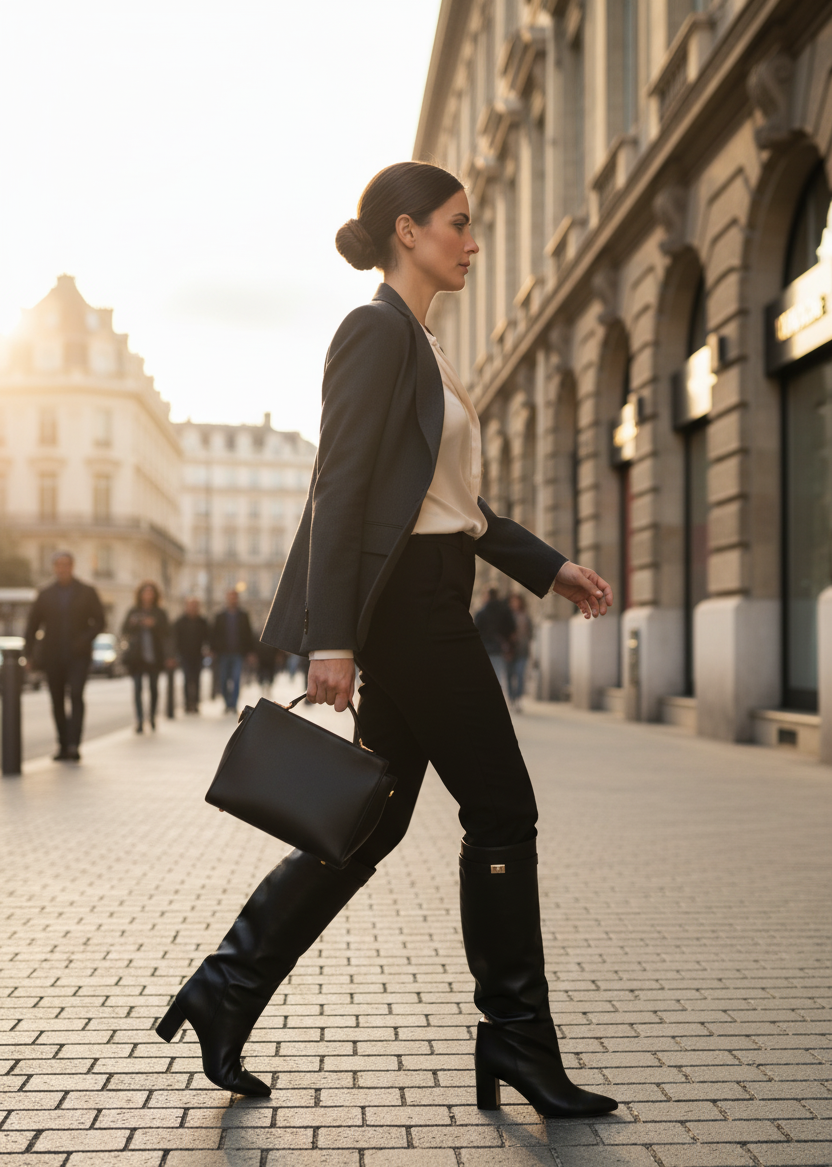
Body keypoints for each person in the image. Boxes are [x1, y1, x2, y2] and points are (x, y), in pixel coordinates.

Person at [156, 162, 617, 1120]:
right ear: (407, 231)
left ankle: (226, 988)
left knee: (370, 821)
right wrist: (333, 639)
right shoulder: (373, 332)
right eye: (459, 224)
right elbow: (342, 488)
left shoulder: (426, 346)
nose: (473, 242)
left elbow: (457, 505)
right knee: (502, 810)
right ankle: (519, 1039)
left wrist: (550, 565)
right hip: (409, 606)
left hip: (435, 591)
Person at [24, 550, 105, 762]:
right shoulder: (45, 593)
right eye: (58, 565)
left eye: (66, 564)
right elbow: (32, 625)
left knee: (76, 696)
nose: (62, 569)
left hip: (79, 655)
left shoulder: (87, 591)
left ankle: (73, 745)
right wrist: (28, 654)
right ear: (54, 568)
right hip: (53, 655)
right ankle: (62, 744)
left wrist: (85, 639)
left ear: (72, 566)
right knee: (57, 700)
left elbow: (100, 622)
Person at [122, 582, 171, 733]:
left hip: (154, 657)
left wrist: (153, 624)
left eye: (151, 593)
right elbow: (124, 630)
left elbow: (167, 632)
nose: (148, 595)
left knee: (154, 688)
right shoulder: (133, 611)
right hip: (136, 657)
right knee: (137, 689)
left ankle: (152, 717)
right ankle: (139, 720)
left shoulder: (160, 613)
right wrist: (134, 623)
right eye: (145, 592)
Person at [210, 589, 255, 713]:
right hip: (223, 653)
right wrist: (213, 650)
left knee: (236, 679)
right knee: (223, 679)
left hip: (238, 653)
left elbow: (248, 634)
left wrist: (250, 652)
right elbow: (214, 635)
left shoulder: (243, 616)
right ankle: (227, 703)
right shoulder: (220, 616)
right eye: (230, 597)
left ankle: (233, 705)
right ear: (227, 599)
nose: (232, 599)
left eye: (234, 597)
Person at [474, 586, 515, 695]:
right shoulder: (505, 610)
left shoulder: (482, 612)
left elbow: (475, 630)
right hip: (500, 648)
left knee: (485, 676)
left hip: (485, 647)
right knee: (498, 674)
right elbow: (512, 628)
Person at [174, 598, 209, 713]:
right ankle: (187, 703)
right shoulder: (180, 622)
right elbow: (175, 639)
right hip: (185, 655)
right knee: (187, 678)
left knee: (197, 679)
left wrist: (207, 649)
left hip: (198, 655)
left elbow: (207, 637)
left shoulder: (202, 622)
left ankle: (196, 703)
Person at [506, 593, 533, 713]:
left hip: (522, 650)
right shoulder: (506, 616)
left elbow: (531, 633)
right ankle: (511, 698)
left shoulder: (525, 616)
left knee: (520, 675)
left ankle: (518, 699)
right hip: (509, 651)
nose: (515, 604)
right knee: (510, 675)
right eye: (513, 601)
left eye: (517, 601)